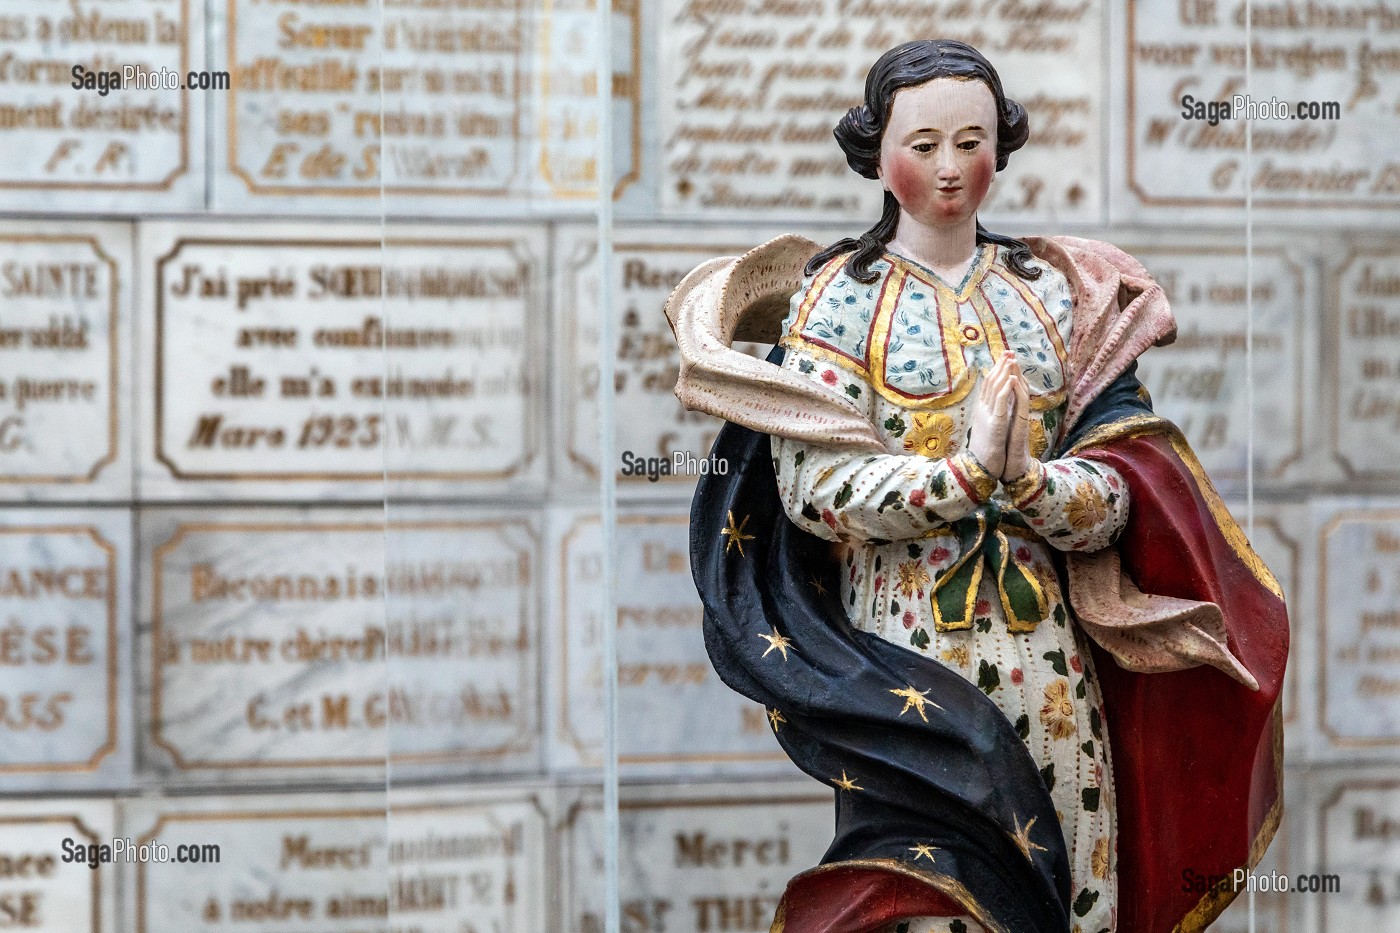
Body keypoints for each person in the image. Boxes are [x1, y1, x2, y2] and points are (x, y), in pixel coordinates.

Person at [665, 40, 1289, 933]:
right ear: (876, 151)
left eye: (973, 141)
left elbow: (1120, 489)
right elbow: (816, 487)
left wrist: (1034, 484)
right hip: (902, 658)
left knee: (1070, 881)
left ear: (1003, 145)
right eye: (924, 145)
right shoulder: (837, 300)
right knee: (933, 894)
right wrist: (963, 475)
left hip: (1048, 655)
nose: (952, 169)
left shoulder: (1053, 293)